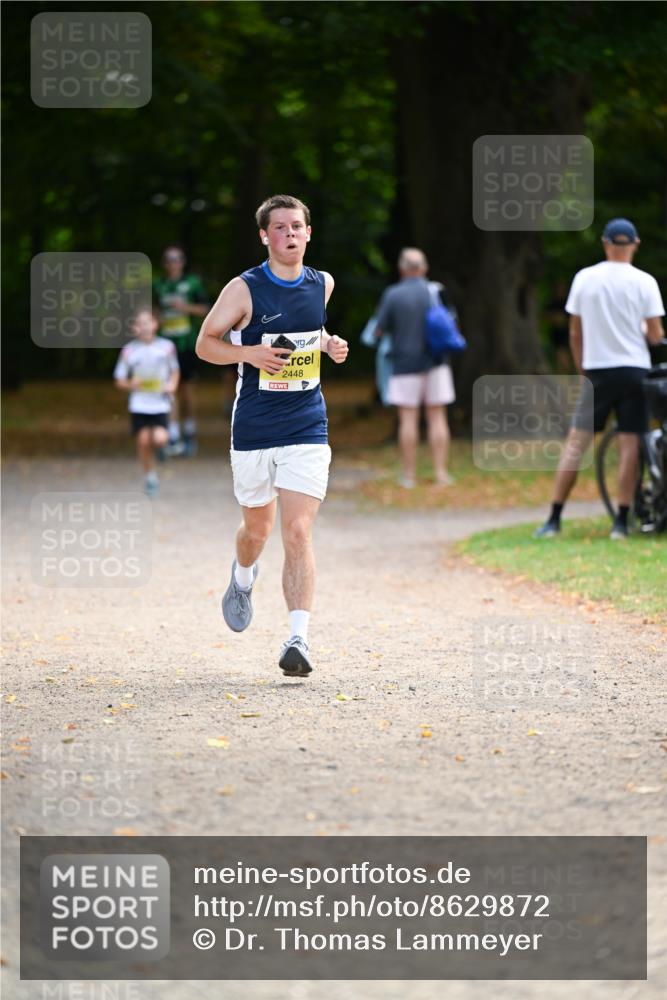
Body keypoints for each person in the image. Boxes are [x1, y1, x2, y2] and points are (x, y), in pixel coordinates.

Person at [195, 194, 349, 676]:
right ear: (264, 236)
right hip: (256, 427)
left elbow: (310, 332)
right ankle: (242, 576)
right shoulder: (244, 289)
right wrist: (250, 355)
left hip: (307, 422)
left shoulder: (321, 284)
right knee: (257, 531)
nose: (289, 234)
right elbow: (205, 344)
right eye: (279, 228)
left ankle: (297, 639)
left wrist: (330, 343)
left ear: (308, 233)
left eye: (296, 226)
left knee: (298, 530)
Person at [534, 218, 665, 540]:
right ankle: (621, 522)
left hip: (597, 371)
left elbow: (575, 332)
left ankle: (554, 517)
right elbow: (655, 334)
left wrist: (582, 369)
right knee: (629, 445)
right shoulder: (645, 282)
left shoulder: (584, 279)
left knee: (576, 445)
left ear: (605, 243)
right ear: (634, 245)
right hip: (635, 370)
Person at [375, 248, 456, 488]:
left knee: (408, 420)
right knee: (437, 417)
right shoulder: (436, 291)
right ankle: (441, 473)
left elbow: (379, 330)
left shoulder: (393, 294)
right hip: (436, 362)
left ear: (402, 269)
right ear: (424, 268)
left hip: (403, 364)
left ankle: (409, 476)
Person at [114, 307, 180, 497]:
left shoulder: (167, 347)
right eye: (139, 323)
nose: (143, 327)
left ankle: (161, 449)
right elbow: (119, 380)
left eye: (147, 322)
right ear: (134, 327)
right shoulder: (129, 350)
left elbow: (175, 370)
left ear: (155, 325)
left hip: (160, 403)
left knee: (159, 439)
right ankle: (150, 477)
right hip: (139, 404)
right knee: (143, 441)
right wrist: (130, 383)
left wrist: (172, 385)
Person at [153, 245, 209, 456]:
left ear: (183, 262)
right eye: (169, 259)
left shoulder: (192, 283)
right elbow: (155, 311)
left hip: (187, 344)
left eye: (177, 259)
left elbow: (205, 308)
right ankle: (172, 436)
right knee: (169, 390)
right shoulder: (158, 285)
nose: (173, 263)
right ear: (164, 263)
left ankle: (190, 431)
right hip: (165, 346)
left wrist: (184, 308)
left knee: (187, 391)